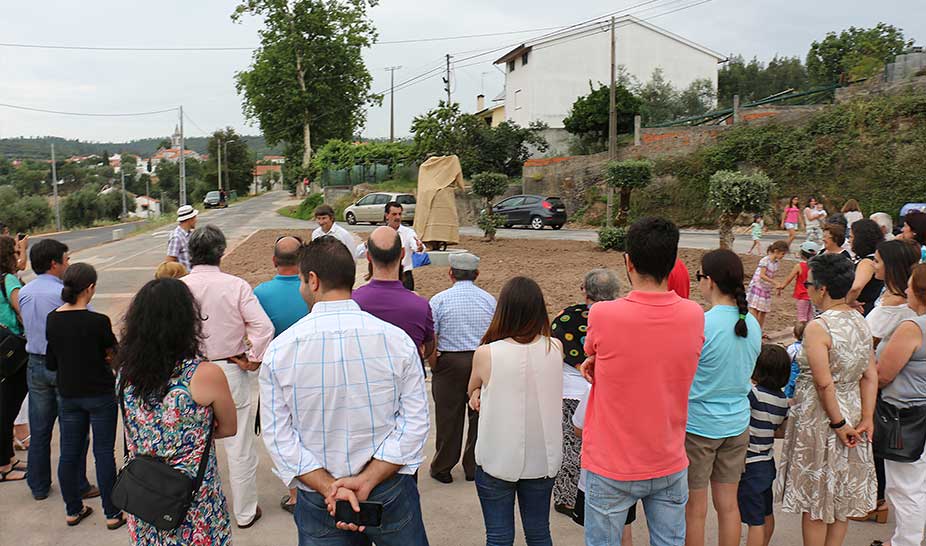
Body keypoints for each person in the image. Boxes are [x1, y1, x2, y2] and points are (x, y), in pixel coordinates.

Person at [259, 236, 430, 545]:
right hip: (389, 488)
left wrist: (328, 487)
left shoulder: (280, 350)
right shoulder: (397, 341)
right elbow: (415, 423)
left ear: (312, 280)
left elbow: (278, 435)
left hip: (318, 498)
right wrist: (369, 479)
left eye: (300, 280)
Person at [581, 217, 705, 546]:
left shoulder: (603, 314)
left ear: (628, 262)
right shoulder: (694, 315)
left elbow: (594, 349)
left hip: (611, 463)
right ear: (673, 261)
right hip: (668, 458)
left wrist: (594, 362)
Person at [118, 278, 237, 545]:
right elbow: (229, 427)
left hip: (144, 498)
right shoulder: (204, 375)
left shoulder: (125, 374)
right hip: (193, 502)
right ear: (187, 321)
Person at [775, 253, 878, 546]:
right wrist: (866, 416)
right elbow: (870, 374)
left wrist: (838, 423)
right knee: (840, 496)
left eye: (808, 284)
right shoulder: (860, 320)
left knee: (816, 499)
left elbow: (823, 384)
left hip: (823, 419)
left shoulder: (818, 327)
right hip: (855, 410)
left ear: (821, 289)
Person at [182, 225, 274, 529]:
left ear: (190, 253)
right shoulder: (236, 286)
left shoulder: (180, 288)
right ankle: (245, 512)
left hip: (190, 372)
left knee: (190, 444)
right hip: (229, 369)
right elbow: (264, 328)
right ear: (221, 252)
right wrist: (253, 359)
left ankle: (190, 510)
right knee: (240, 445)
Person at [468, 276, 564, 546]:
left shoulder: (487, 353)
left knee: (498, 537)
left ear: (503, 310)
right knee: (539, 533)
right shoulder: (554, 347)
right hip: (542, 459)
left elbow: (473, 387)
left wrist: (476, 394)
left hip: (496, 458)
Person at [686, 249, 762, 546]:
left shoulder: (702, 323)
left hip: (699, 427)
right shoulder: (752, 323)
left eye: (699, 277)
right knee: (728, 504)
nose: (699, 283)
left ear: (711, 281)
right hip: (737, 423)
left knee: (695, 508)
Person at [45, 263, 123, 528]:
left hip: (68, 395)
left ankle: (73, 509)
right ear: (89, 288)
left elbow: (51, 363)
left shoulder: (52, 319)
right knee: (103, 453)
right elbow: (114, 354)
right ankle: (112, 514)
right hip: (100, 394)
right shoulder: (98, 321)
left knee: (69, 452)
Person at [18, 239, 94, 501]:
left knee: (39, 429)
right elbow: (85, 322)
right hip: (65, 365)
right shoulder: (63, 293)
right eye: (66, 258)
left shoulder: (25, 291)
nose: (68, 263)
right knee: (74, 428)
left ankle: (38, 486)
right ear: (54, 264)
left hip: (36, 363)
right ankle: (77, 485)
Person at [550, 269, 619, 517]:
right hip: (611, 389)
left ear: (584, 290)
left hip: (571, 390)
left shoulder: (565, 319)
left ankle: (567, 498)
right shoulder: (624, 318)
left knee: (570, 444)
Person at [427, 252, 496, 484]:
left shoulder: (439, 300)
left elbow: (433, 336)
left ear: (450, 274)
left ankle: (443, 467)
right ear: (476, 274)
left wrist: (434, 363)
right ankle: (473, 467)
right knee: (478, 415)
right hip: (481, 360)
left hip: (449, 363)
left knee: (448, 417)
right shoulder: (488, 300)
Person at [253, 235, 310, 513]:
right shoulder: (312, 288)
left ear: (274, 261)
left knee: (282, 433)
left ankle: (295, 494)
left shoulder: (260, 293)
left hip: (277, 373)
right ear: (301, 260)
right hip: (311, 371)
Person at [874, 264, 926, 546]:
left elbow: (884, 374)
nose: (905, 290)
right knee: (918, 486)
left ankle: (905, 542)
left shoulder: (913, 327)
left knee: (905, 488)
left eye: (909, 286)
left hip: (905, 415)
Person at [353, 227, 435, 363]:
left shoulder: (353, 302)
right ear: (402, 254)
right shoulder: (420, 305)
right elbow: (429, 348)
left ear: (368, 256)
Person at [737, 345, 791, 546]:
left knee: (754, 521)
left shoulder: (754, 395)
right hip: (766, 462)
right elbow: (780, 429)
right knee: (766, 512)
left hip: (749, 463)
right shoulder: (782, 401)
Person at [571, 388, 635, 546]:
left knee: (599, 535)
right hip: (630, 469)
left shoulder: (596, 386)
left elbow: (578, 427)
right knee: (625, 528)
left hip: (599, 473)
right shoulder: (641, 387)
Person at [0, 235, 26, 483]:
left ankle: (8, 458)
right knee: (7, 408)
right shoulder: (7, 279)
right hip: (13, 348)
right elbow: (21, 309)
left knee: (5, 406)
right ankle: (4, 465)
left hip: (2, 347)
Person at [867, 240, 920, 349]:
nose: (872, 264)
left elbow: (868, 337)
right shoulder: (889, 290)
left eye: (876, 261)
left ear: (890, 267)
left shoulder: (894, 303)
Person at [746, 240, 789, 331]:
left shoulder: (776, 263)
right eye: (782, 254)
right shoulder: (765, 260)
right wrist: (775, 282)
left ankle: (759, 330)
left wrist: (777, 287)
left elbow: (772, 276)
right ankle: (754, 330)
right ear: (776, 251)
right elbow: (762, 275)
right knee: (755, 309)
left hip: (766, 288)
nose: (782, 256)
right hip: (758, 286)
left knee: (763, 311)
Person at [847, 219, 886, 316]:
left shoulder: (867, 262)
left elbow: (856, 287)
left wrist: (847, 301)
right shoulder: (878, 258)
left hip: (862, 308)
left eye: (851, 237)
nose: (849, 240)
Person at [777, 240, 822, 324]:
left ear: (802, 254)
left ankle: (801, 335)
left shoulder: (799, 266)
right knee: (811, 317)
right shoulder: (817, 266)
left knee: (802, 318)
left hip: (802, 296)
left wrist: (781, 286)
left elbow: (789, 279)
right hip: (813, 295)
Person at [385, 201, 423, 291]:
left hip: (405, 276)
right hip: (386, 276)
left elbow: (415, 245)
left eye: (400, 214)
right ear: (387, 215)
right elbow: (359, 252)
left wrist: (419, 247)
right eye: (394, 214)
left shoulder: (409, 232)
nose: (398, 217)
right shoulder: (381, 232)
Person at [165, 205, 198, 271]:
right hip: (183, 278)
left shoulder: (191, 234)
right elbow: (169, 263)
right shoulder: (176, 237)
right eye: (195, 218)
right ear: (190, 219)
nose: (196, 220)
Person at [785, 322, 806, 398]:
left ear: (794, 335)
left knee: (789, 394)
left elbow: (788, 360)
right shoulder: (810, 348)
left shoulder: (793, 348)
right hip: (805, 374)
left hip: (793, 376)